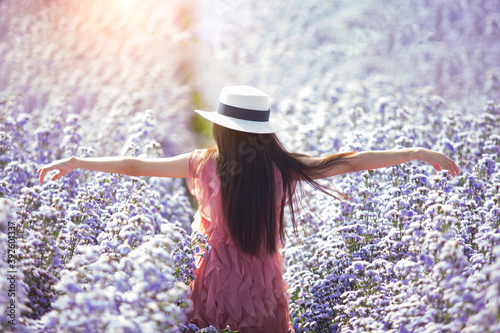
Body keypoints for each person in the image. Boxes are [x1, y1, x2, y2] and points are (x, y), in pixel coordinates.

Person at [37, 85, 459, 332]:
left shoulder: (203, 163)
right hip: (263, 283)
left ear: (221, 128)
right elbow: (350, 160)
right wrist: (416, 152)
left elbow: (135, 166)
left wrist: (75, 162)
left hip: (211, 278)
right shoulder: (283, 166)